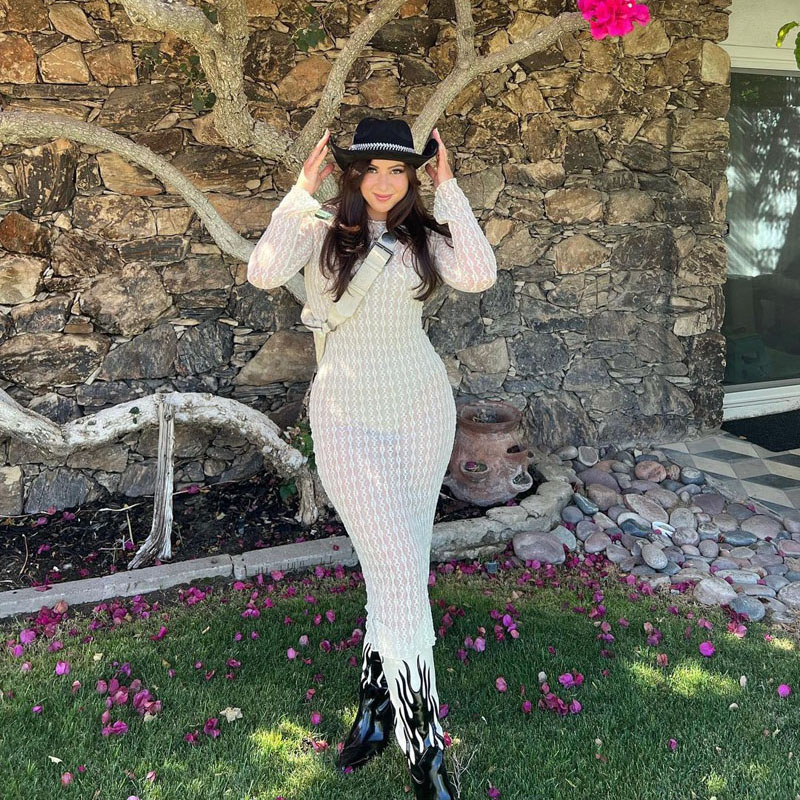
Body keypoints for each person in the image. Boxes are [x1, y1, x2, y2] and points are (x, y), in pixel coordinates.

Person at [247, 116, 497, 800]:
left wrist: (450, 191)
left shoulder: (424, 236)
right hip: (348, 419)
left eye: (400, 171)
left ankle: (377, 708)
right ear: (351, 173)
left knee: (398, 569)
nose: (386, 183)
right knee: (400, 577)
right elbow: (263, 269)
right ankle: (426, 752)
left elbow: (478, 273)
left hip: (420, 412)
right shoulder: (322, 230)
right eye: (373, 170)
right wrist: (301, 189)